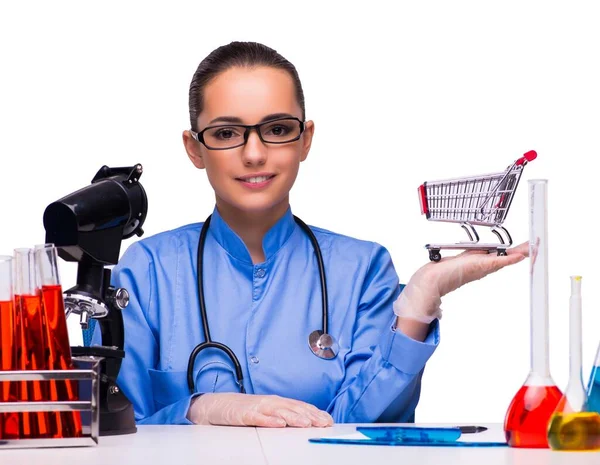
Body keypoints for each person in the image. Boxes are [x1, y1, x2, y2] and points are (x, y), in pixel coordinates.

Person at [93, 41, 527, 428]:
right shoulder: (147, 271)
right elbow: (112, 427)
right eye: (226, 133)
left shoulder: (362, 270)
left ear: (305, 140)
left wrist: (419, 302)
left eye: (278, 129)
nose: (254, 153)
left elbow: (366, 431)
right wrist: (198, 410)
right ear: (194, 148)